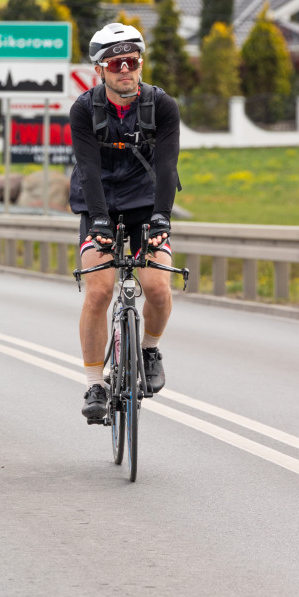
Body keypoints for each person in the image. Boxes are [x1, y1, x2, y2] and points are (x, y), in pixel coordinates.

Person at [69, 23, 181, 421]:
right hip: (97, 202)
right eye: (116, 63)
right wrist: (98, 221)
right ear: (100, 69)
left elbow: (168, 166)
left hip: (146, 205)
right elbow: (86, 169)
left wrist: (161, 218)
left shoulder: (161, 106)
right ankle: (94, 385)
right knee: (99, 290)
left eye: (132, 61)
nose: (126, 70)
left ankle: (149, 350)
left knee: (157, 286)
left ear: (141, 64)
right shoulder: (85, 110)